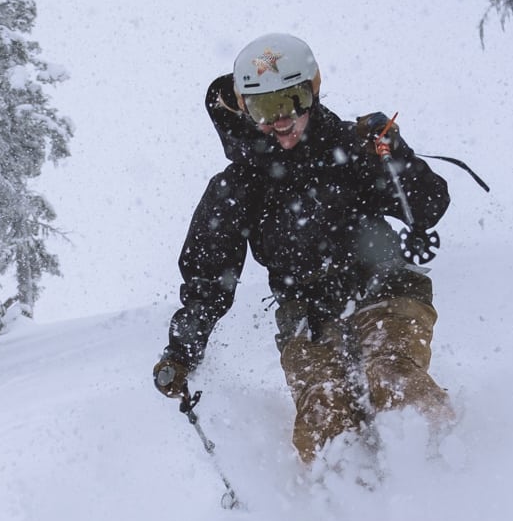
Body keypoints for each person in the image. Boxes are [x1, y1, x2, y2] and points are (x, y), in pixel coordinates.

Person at [152, 32, 454, 465]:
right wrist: (182, 350)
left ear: (312, 90)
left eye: (290, 101)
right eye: (264, 108)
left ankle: (445, 467)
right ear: (244, 108)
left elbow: (428, 207)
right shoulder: (239, 186)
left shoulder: (350, 147)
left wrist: (394, 156)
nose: (280, 120)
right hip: (308, 318)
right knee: (325, 413)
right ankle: (342, 493)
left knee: (390, 375)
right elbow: (208, 278)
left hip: (385, 289)